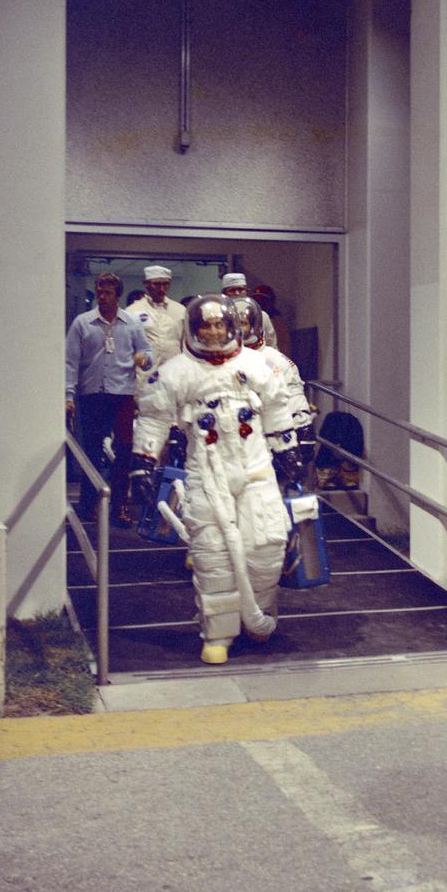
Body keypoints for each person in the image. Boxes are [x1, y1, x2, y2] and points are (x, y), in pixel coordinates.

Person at [130, 294, 306, 665]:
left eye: (219, 325)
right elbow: (154, 417)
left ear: (232, 327)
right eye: (205, 326)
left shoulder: (257, 365)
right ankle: (219, 634)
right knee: (213, 559)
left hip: (255, 468)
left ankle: (258, 615)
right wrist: (143, 463)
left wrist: (288, 451)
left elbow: (276, 407)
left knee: (268, 544)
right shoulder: (176, 371)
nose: (213, 332)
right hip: (206, 475)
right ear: (194, 330)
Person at [65, 271, 153, 525]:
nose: (102, 296)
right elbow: (70, 362)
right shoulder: (82, 323)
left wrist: (144, 359)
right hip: (92, 394)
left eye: (107, 292)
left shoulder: (132, 323)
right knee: (91, 451)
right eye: (99, 291)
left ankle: (119, 508)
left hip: (122, 394)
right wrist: (68, 395)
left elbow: (147, 352)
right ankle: (89, 506)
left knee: (123, 451)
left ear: (118, 295)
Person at [230, 296, 315, 457]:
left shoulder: (272, 360)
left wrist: (303, 429)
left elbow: (292, 393)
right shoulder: (220, 360)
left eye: (243, 323)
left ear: (254, 326)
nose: (239, 329)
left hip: (264, 439)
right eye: (235, 324)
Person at [125, 265, 186, 381]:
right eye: (157, 284)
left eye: (166, 284)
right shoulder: (133, 311)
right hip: (144, 375)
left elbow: (185, 344)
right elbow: (127, 346)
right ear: (146, 284)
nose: (162, 289)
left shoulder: (180, 310)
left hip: (174, 374)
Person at [222, 271, 278, 349]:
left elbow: (271, 345)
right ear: (224, 294)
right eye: (232, 290)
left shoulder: (261, 316)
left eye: (240, 289)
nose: (237, 293)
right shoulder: (219, 316)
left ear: (247, 292)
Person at [251, 283, 290, 356]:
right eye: (256, 299)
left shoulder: (277, 319)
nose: (259, 302)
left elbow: (283, 344)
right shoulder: (251, 318)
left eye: (262, 299)